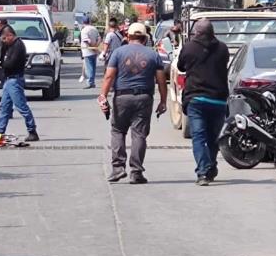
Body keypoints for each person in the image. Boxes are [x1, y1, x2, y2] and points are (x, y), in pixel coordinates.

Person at [98, 22, 167, 184]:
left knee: (118, 131)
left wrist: (103, 96)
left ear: (128, 37)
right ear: (145, 38)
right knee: (139, 134)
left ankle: (118, 168)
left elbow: (109, 77)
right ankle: (136, 172)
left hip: (122, 97)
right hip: (144, 98)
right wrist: (163, 101)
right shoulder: (153, 55)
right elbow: (161, 80)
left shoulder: (118, 53)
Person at [176, 18, 229, 185]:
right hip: (218, 100)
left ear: (196, 32)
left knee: (198, 136)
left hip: (196, 99)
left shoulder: (189, 47)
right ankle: (210, 165)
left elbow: (181, 67)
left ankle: (203, 172)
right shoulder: (222, 48)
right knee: (214, 137)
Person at [0, 26, 39, 142]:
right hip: (8, 80)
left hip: (15, 80)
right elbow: (0, 55)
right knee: (4, 107)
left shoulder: (18, 46)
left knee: (21, 106)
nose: (3, 41)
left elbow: (11, 64)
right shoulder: (8, 46)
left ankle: (32, 131)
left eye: (4, 39)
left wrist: (0, 65)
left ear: (10, 35)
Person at [80, 16, 101, 89]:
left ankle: (90, 83)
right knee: (93, 67)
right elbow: (99, 38)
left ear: (83, 22)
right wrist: (96, 46)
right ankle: (92, 82)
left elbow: (87, 41)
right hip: (94, 51)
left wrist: (92, 48)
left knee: (89, 67)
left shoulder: (84, 30)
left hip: (87, 51)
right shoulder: (94, 28)